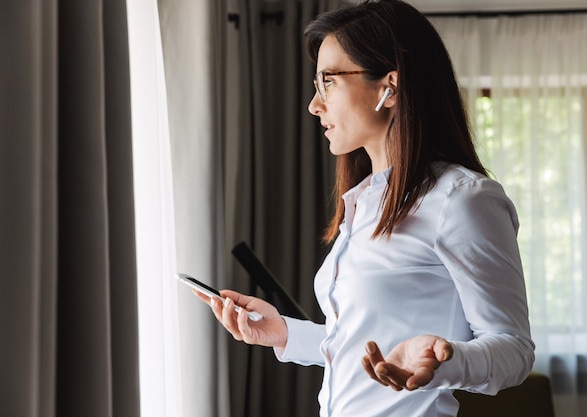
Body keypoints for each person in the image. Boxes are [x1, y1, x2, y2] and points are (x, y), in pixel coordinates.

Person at [193, 0, 535, 416]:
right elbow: (361, 345)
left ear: (389, 87)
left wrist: (446, 361)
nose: (314, 105)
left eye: (328, 82)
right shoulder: (364, 202)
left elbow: (514, 350)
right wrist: (283, 333)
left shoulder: (461, 200)